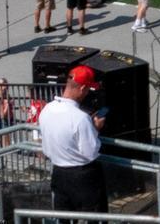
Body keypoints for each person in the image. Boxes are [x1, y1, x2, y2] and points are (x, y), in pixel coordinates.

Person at [38, 65, 108, 213]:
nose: (87, 93)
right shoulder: (80, 118)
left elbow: (46, 146)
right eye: (88, 89)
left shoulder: (47, 109)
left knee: (64, 217)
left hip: (58, 172)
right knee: (94, 216)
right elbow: (91, 152)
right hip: (83, 175)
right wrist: (95, 129)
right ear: (82, 88)